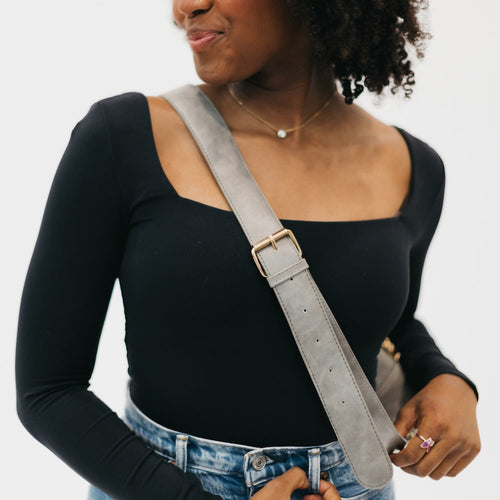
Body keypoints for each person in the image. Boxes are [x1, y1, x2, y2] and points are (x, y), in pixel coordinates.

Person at [15, 1, 481, 499]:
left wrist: (445, 378)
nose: (185, 6)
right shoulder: (124, 137)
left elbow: (385, 324)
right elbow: (48, 390)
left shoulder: (414, 167)